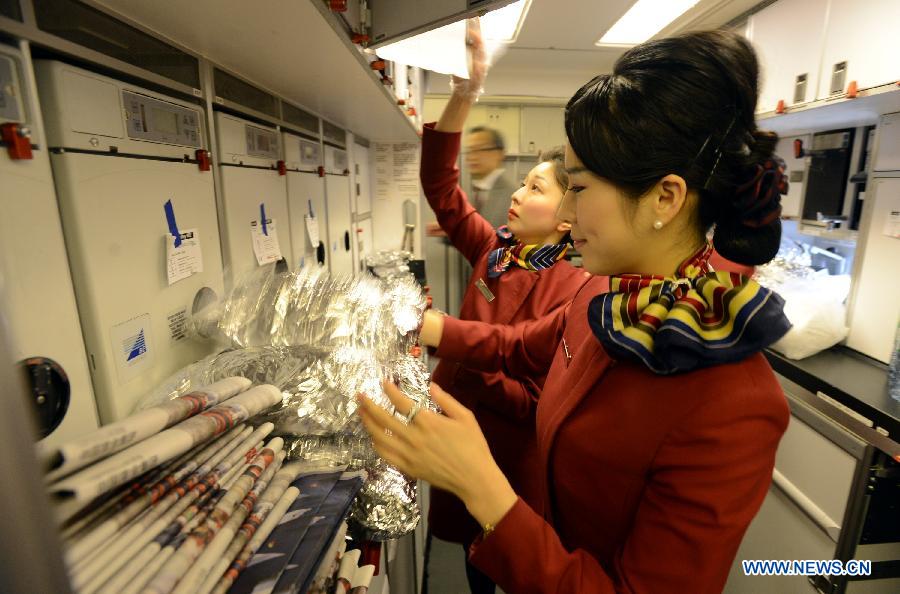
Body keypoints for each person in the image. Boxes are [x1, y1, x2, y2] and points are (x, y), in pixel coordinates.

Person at [360, 29, 793, 594]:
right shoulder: (603, 298)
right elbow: (518, 348)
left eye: (579, 186)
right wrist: (423, 323)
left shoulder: (735, 406)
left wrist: (483, 487)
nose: (564, 208)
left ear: (665, 198)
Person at [417, 25, 593, 594]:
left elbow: (538, 402)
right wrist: (465, 93)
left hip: (505, 452)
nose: (517, 195)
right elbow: (442, 189)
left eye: (535, 189)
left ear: (567, 216)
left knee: (507, 550)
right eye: (520, 183)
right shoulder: (496, 252)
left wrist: (460, 351)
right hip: (455, 423)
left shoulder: (573, 287)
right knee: (473, 559)